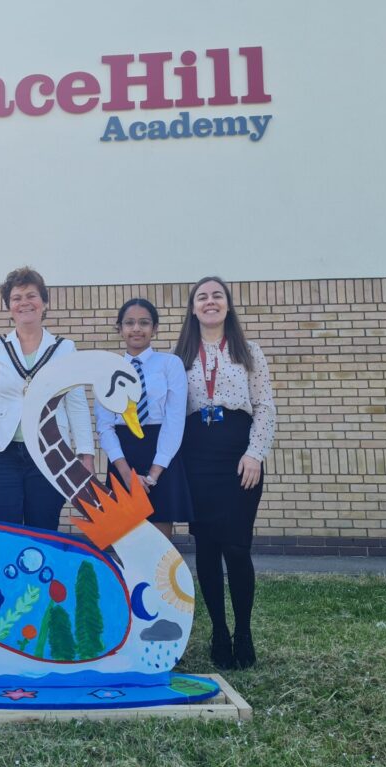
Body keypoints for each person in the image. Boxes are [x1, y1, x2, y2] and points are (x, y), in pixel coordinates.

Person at [175, 276, 276, 670]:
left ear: (228, 305)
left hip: (238, 457)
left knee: (236, 546)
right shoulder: (179, 356)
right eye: (202, 297)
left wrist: (255, 453)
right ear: (193, 308)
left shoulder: (249, 352)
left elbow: (265, 406)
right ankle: (218, 631)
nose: (210, 301)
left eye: (217, 295)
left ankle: (244, 631)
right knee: (207, 548)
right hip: (197, 458)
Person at [0, 266, 94, 530]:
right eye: (16, 298)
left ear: (44, 303)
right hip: (1, 453)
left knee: (43, 527)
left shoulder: (65, 348)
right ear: (9, 306)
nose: (24, 302)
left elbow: (77, 404)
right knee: (3, 530)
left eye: (31, 296)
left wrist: (86, 453)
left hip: (50, 453)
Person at [95, 298, 190, 538]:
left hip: (162, 451)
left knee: (160, 542)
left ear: (155, 328)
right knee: (126, 540)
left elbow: (175, 419)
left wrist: (154, 473)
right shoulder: (107, 369)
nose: (136, 328)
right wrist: (126, 474)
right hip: (123, 455)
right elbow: (105, 426)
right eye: (129, 323)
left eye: (144, 323)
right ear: (120, 328)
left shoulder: (170, 364)